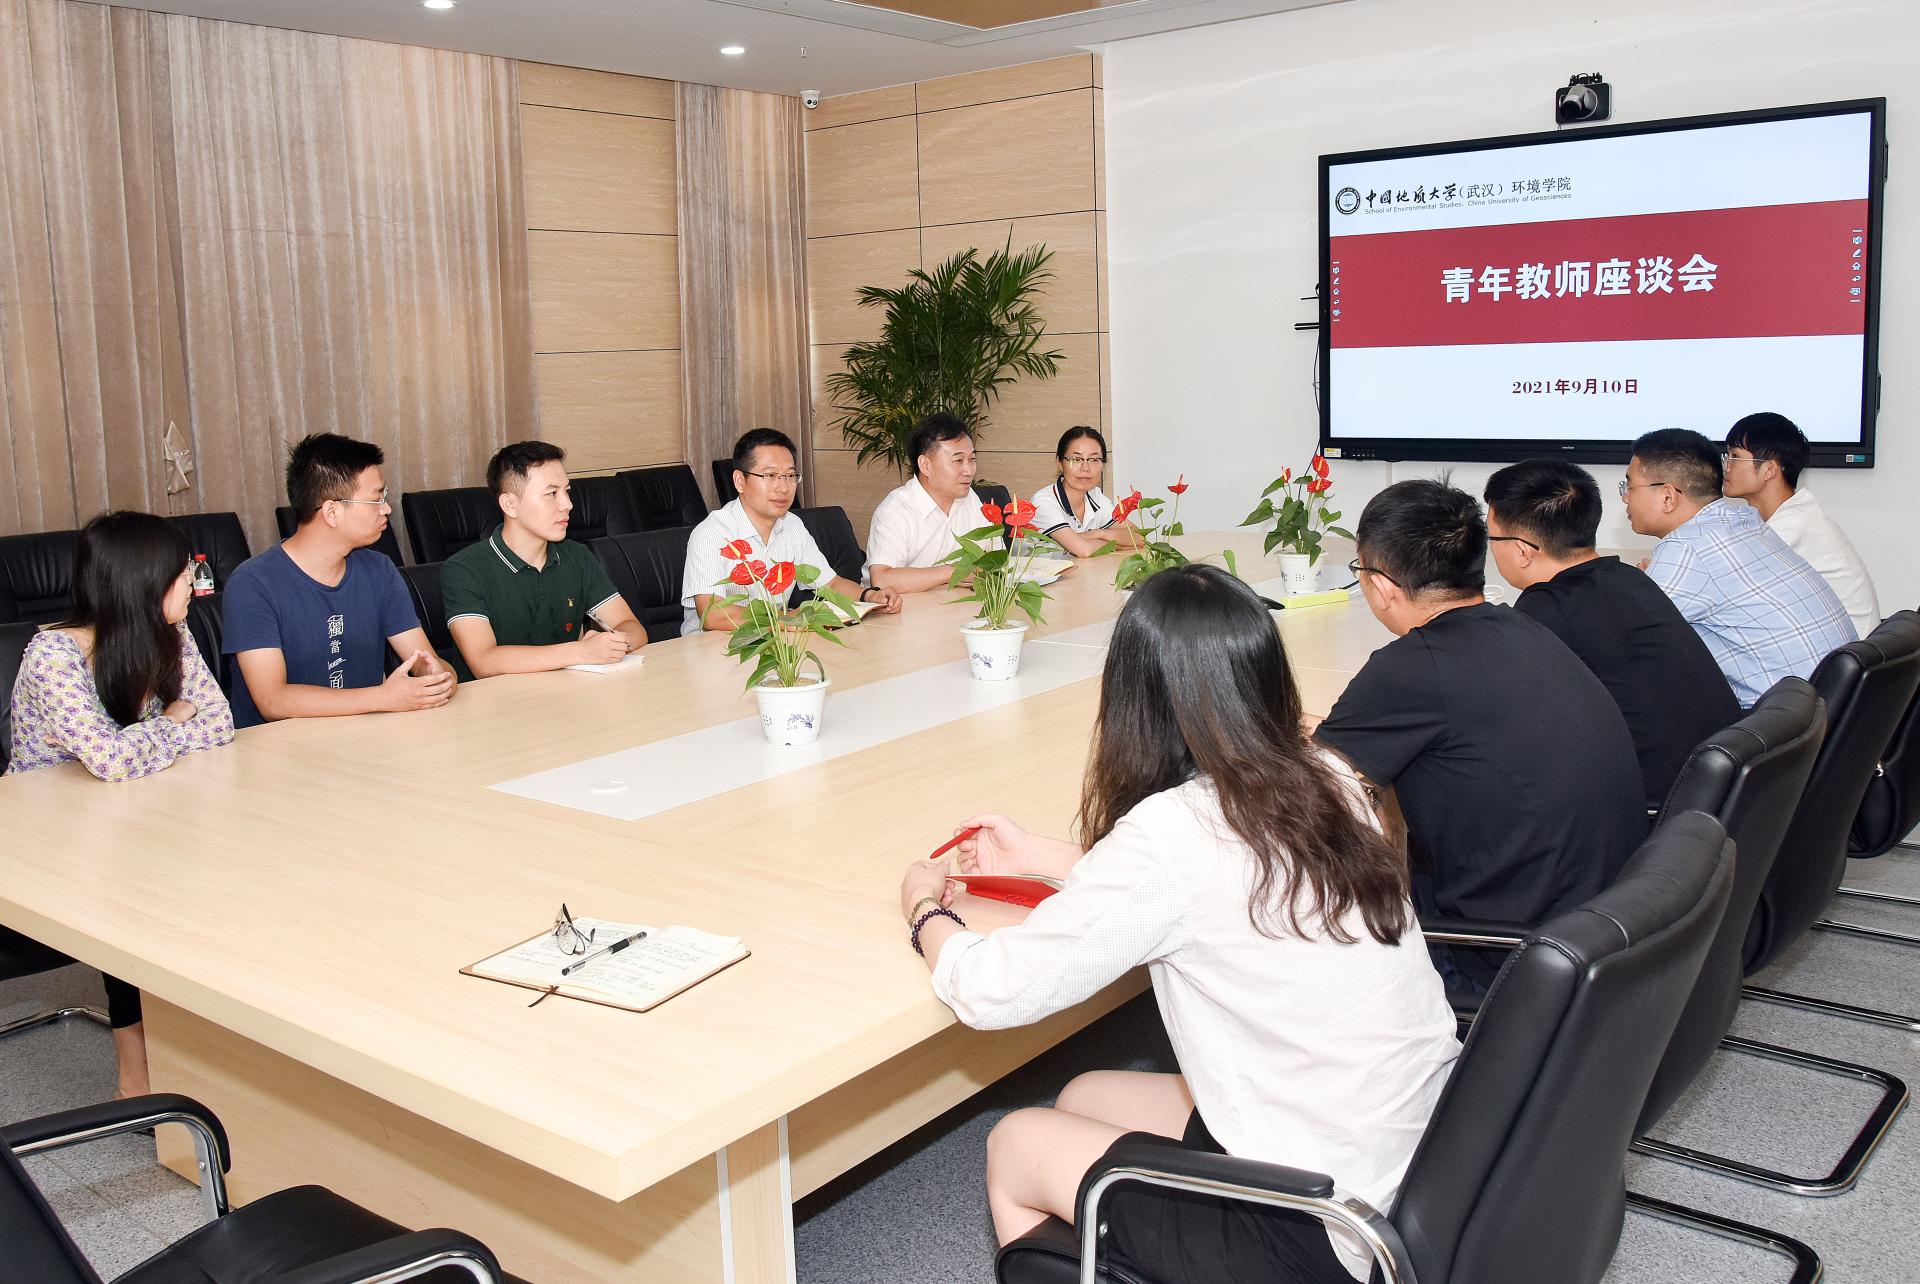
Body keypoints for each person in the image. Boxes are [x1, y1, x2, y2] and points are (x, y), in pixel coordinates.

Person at [898, 565, 1458, 1284]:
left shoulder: (1172, 831)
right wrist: (1041, 857)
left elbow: (991, 991)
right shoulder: (1328, 776)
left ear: (1135, 700)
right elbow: (1223, 887)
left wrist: (926, 908)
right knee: (1084, 1097)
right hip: (1415, 1159)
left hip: (1323, 1224)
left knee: (1015, 1142)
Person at [1314, 479, 1646, 994]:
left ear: (1380, 585)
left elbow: (1310, 783)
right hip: (1611, 929)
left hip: (1510, 957)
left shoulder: (1413, 667)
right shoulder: (1525, 627)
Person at [6, 510, 237, 1098]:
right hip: (47, 839)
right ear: (144, 583)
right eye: (183, 575)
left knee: (212, 868)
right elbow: (109, 761)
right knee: (138, 893)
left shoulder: (171, 632)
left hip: (136, 813)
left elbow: (219, 723)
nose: (194, 586)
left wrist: (148, 739)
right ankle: (136, 1079)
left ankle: (214, 1055)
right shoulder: (54, 654)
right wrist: (171, 723)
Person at [1484, 459, 1739, 809]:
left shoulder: (1550, 606)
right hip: (1715, 794)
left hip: (1655, 811)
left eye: (1491, 537)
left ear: (1522, 550)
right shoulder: (1627, 578)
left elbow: (1505, 719)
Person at [223, 433, 457, 728]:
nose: (386, 508)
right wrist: (381, 698)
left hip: (366, 734)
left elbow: (424, 659)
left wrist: (436, 677)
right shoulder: (252, 584)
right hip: (281, 746)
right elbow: (273, 701)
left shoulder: (379, 570)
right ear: (332, 511)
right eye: (376, 499)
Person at [1624, 428, 1855, 707]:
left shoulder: (1688, 547)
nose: (1625, 498)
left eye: (1629, 487)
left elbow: (1624, 642)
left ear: (1668, 496)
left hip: (1782, 719)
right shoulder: (1742, 521)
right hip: (1829, 708)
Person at [443, 441, 648, 673]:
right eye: (551, 493)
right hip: (498, 695)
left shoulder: (577, 556)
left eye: (567, 491)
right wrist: (580, 651)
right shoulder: (463, 569)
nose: (568, 504)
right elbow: (484, 662)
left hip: (567, 689)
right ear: (510, 505)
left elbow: (633, 628)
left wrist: (614, 643)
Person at [681, 429, 901, 634]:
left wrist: (870, 596)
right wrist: (784, 619)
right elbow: (714, 615)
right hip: (714, 648)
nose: (783, 487)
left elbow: (830, 584)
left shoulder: (792, 525)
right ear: (740, 481)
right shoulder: (711, 534)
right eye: (770, 475)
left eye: (789, 476)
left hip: (776, 641)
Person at [1722, 412, 1881, 640]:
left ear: (1770, 469)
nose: (1727, 466)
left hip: (1843, 651)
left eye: (1735, 456)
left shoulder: (1793, 524)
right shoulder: (1783, 516)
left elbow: (1728, 586)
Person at [864, 412, 998, 594]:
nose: (968, 471)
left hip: (950, 603)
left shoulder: (970, 499)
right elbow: (882, 580)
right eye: (958, 460)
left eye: (972, 459)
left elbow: (992, 561)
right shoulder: (896, 509)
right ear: (925, 466)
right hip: (900, 608)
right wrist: (954, 572)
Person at [1028, 426, 1144, 557]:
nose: (1085, 468)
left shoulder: (1095, 496)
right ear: (1060, 463)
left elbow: (1139, 537)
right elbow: (1085, 550)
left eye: (1094, 459)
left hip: (1082, 569)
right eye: (1076, 459)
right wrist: (1119, 543)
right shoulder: (1044, 502)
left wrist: (1100, 533)